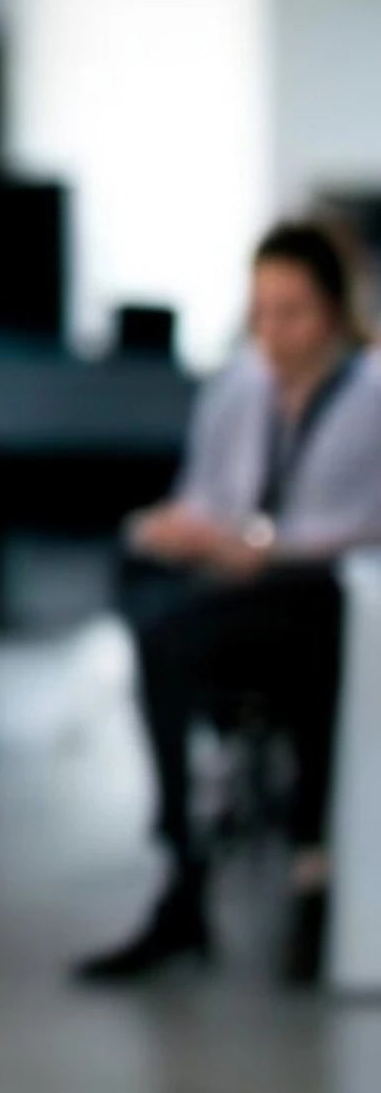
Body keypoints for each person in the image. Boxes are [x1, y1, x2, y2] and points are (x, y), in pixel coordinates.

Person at [74, 220, 381, 987]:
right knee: (147, 594)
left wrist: (260, 544)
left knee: (223, 630)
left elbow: (361, 526)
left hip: (323, 595)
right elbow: (206, 492)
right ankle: (184, 861)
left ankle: (232, 871)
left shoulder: (371, 397)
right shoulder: (237, 388)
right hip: (231, 588)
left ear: (335, 312)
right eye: (261, 312)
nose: (274, 332)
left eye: (293, 312)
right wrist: (183, 529)